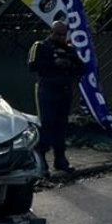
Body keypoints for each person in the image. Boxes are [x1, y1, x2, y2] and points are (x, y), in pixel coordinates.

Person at [28, 21, 85, 174]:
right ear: (51, 32)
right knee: (47, 124)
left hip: (64, 90)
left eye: (63, 35)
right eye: (57, 34)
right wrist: (54, 63)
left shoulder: (69, 49)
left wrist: (69, 63)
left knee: (61, 125)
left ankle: (60, 159)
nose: (60, 37)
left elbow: (82, 68)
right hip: (47, 89)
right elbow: (32, 65)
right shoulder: (40, 46)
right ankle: (41, 160)